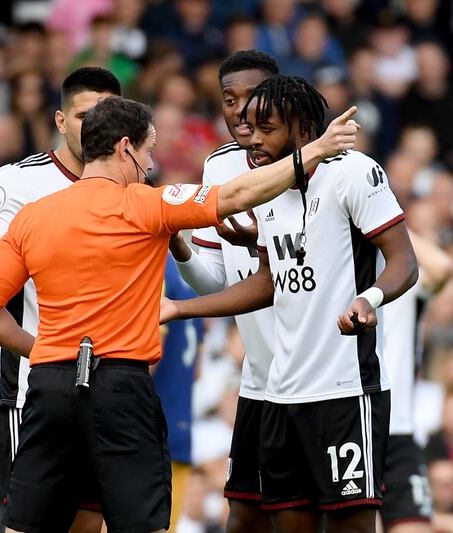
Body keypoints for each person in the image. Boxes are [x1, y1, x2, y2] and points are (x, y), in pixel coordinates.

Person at [0, 95, 360, 532]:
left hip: (48, 388)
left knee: (24, 525)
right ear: (124, 148)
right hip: (119, 385)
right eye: (149, 151)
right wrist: (316, 150)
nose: (150, 165)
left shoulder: (31, 217)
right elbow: (237, 193)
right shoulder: (146, 204)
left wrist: (43, 350)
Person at [160, 75, 418, 533]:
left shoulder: (354, 172)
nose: (252, 138)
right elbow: (268, 282)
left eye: (267, 127)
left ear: (302, 131)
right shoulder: (267, 187)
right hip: (279, 395)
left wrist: (368, 298)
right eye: (250, 126)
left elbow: (404, 262)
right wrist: (181, 310)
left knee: (353, 527)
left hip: (343, 390)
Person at [0, 67, 122, 530]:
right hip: (28, 384)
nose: (95, 126)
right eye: (84, 114)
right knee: (35, 523)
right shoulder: (18, 181)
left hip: (103, 384)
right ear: (60, 120)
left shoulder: (129, 185)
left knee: (90, 521)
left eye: (106, 115)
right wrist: (53, 254)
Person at [168, 49, 280, 533]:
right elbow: (217, 276)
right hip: (258, 378)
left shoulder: (323, 163)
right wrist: (181, 246)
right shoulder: (218, 168)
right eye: (228, 99)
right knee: (244, 515)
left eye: (251, 97)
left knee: (322, 517)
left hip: (324, 379)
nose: (238, 110)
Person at [380, 233, 453, 533]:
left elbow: (442, 267)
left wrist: (386, 220)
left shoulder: (404, 281)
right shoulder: (337, 278)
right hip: (349, 430)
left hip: (398, 433)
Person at [152, 257, 204, 531]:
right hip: (180, 429)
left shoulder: (154, 266)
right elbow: (197, 370)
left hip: (148, 434)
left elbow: (150, 354)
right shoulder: (188, 274)